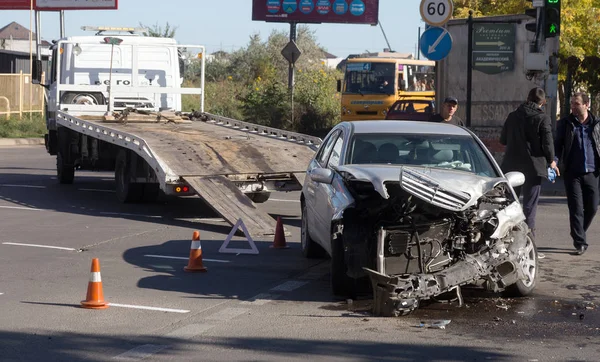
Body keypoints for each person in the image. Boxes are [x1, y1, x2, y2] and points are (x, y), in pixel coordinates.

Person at [500, 87, 559, 235]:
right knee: (530, 206)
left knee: (510, 203)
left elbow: (503, 140)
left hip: (511, 167)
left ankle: (507, 236)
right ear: (543, 102)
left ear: (527, 98)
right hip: (534, 168)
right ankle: (528, 240)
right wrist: (551, 161)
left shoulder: (512, 116)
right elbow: (548, 143)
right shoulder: (542, 118)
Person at [554, 92, 600, 255]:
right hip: (572, 173)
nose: (573, 106)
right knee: (576, 208)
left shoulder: (596, 124)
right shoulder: (566, 124)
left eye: (576, 104)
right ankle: (580, 242)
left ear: (586, 105)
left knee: (593, 206)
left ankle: (578, 231)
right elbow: (557, 145)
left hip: (592, 172)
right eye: (572, 103)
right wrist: (554, 161)